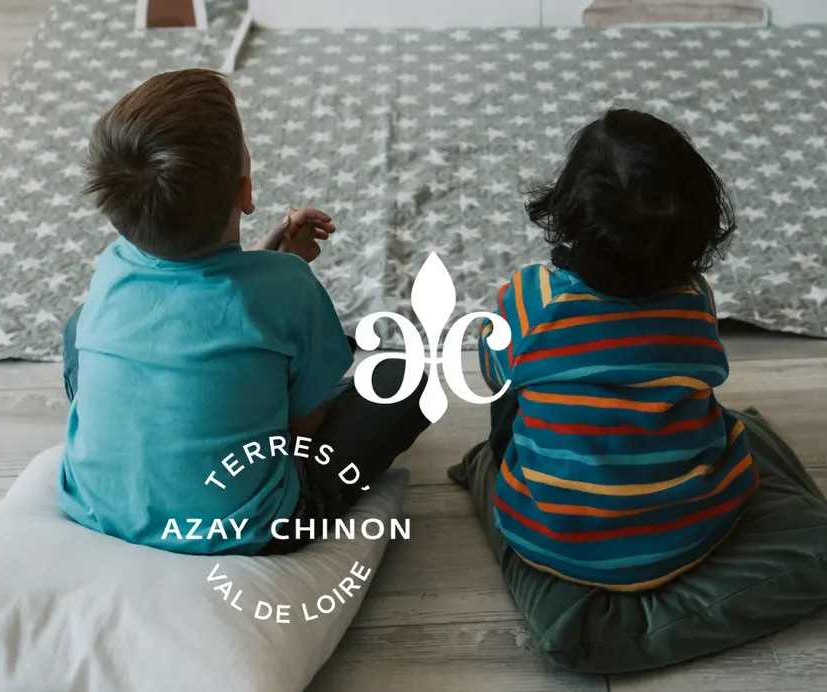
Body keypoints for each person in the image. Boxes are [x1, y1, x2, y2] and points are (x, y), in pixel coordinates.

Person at [59, 68, 429, 557]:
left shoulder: (113, 266)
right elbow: (301, 432)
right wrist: (282, 271)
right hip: (251, 525)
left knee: (79, 326)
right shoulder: (289, 288)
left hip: (97, 504)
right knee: (406, 379)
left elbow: (195, 299)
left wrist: (264, 261)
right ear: (246, 191)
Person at [476, 109, 758, 591]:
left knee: (512, 382)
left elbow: (492, 370)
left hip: (550, 536)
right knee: (709, 410)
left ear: (569, 208)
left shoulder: (532, 299)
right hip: (692, 530)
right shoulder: (695, 298)